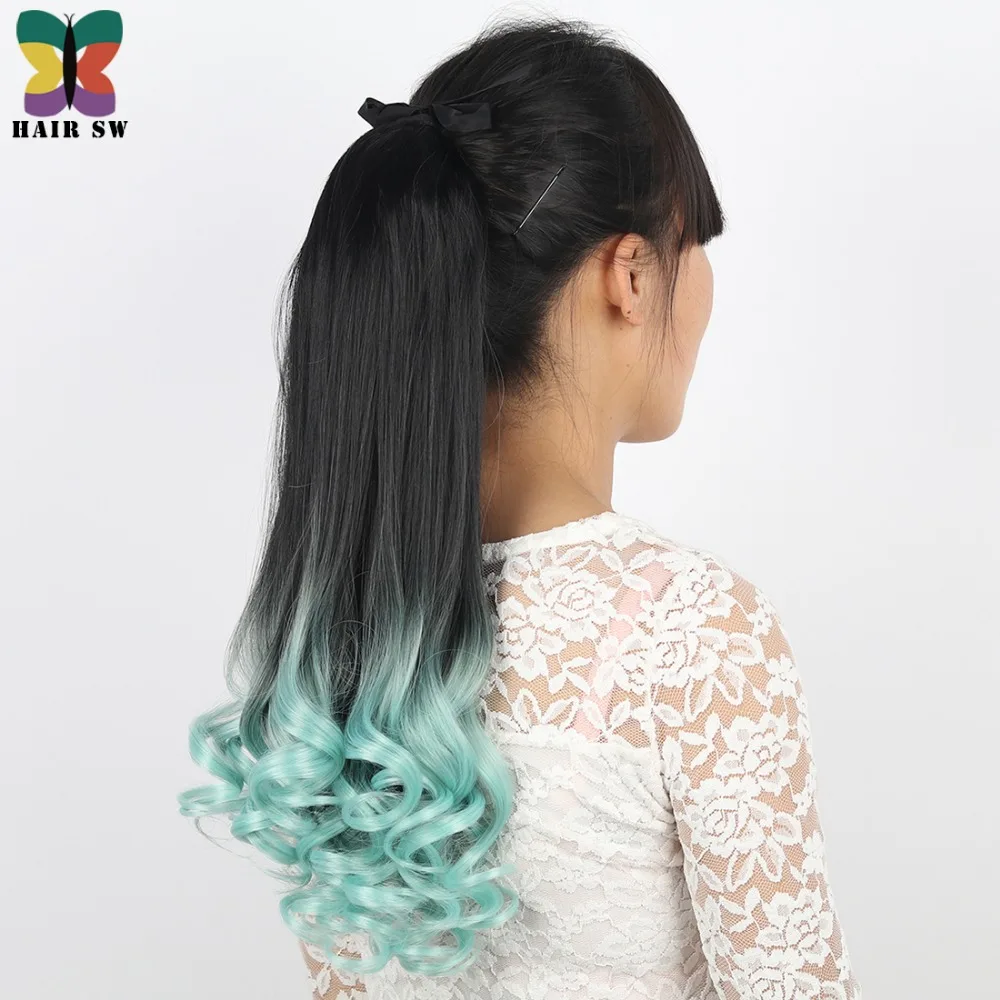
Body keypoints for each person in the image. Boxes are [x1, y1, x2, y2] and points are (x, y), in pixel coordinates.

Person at [178, 16, 863, 1000]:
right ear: (631, 275)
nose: (705, 284)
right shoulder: (693, 634)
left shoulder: (339, 638)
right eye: (695, 243)